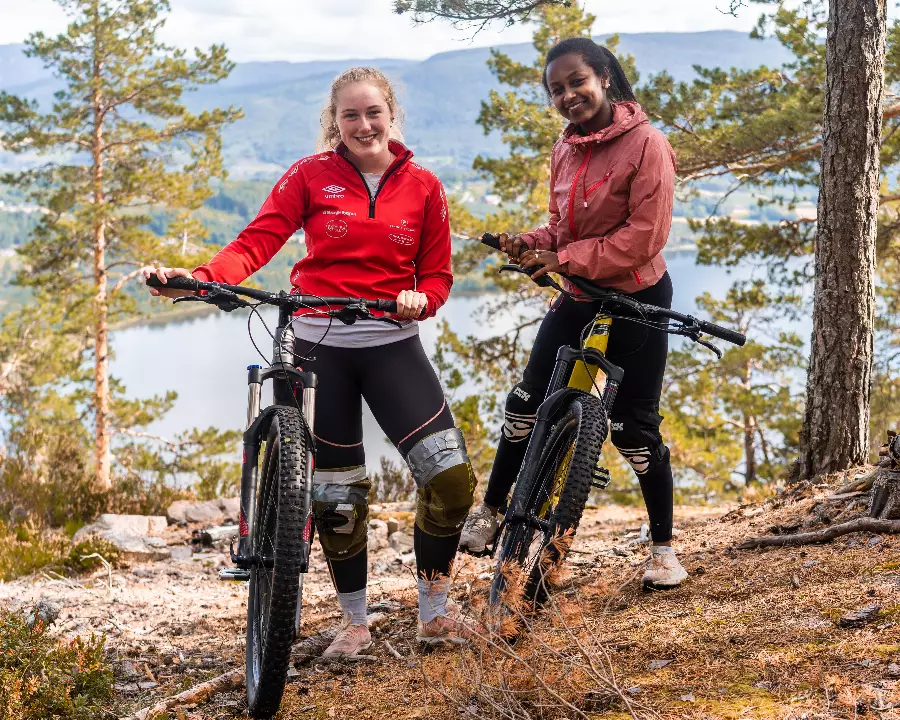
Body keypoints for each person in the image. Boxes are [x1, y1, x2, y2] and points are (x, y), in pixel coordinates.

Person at [144, 67, 478, 655]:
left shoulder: (424, 185)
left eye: (373, 112)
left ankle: (434, 612)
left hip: (392, 344)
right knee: (337, 495)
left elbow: (438, 275)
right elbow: (256, 241)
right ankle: (354, 622)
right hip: (318, 346)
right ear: (335, 121)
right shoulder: (309, 175)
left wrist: (421, 299)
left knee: (449, 479)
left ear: (391, 114)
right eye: (350, 115)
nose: (363, 124)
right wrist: (201, 280)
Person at [459, 38, 686, 590]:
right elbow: (562, 228)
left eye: (576, 82)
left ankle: (663, 550)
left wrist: (561, 259)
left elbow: (644, 238)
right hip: (580, 292)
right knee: (526, 401)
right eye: (556, 89)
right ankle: (491, 509)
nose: (567, 95)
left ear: (604, 77)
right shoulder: (566, 147)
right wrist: (532, 243)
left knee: (634, 430)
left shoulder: (648, 144)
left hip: (637, 296)